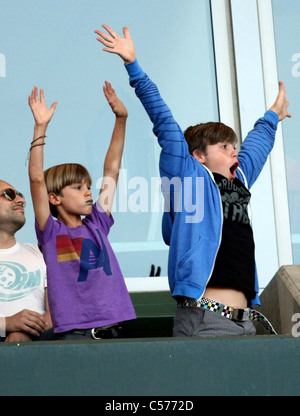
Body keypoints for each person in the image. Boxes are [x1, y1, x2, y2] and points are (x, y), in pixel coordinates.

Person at [95, 25, 291, 337]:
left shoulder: (239, 177)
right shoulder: (188, 177)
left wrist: (272, 116)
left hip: (247, 322)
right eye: (223, 147)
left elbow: (257, 144)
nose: (233, 152)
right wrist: (133, 65)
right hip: (206, 320)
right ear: (198, 155)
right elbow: (164, 122)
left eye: (234, 146)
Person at [27, 81, 136, 340]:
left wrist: (121, 118)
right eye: (77, 187)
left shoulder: (97, 223)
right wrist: (40, 127)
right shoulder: (50, 232)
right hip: (73, 334)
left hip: (112, 330)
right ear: (54, 198)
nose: (88, 192)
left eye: (88, 186)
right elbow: (36, 180)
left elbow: (112, 169)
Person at [0, 180, 53, 343]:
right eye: (9, 195)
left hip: (39, 351)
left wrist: (26, 335)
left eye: (20, 196)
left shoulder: (41, 253)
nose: (21, 200)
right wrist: (6, 324)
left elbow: (56, 313)